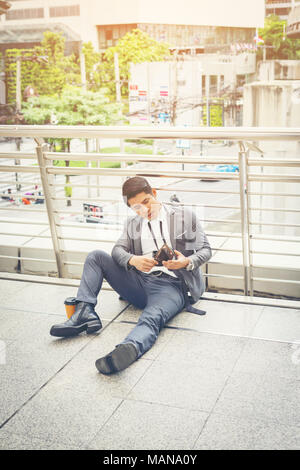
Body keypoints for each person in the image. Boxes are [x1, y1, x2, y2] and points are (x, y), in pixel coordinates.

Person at [50, 177, 212, 375]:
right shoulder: (133, 223)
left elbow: (205, 250)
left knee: (151, 318)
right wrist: (133, 260)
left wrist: (185, 262)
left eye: (146, 202)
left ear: (154, 193)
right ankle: (85, 312)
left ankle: (127, 349)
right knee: (96, 257)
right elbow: (117, 250)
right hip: (139, 282)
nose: (144, 210)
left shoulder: (184, 216)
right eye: (136, 208)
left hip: (172, 286)